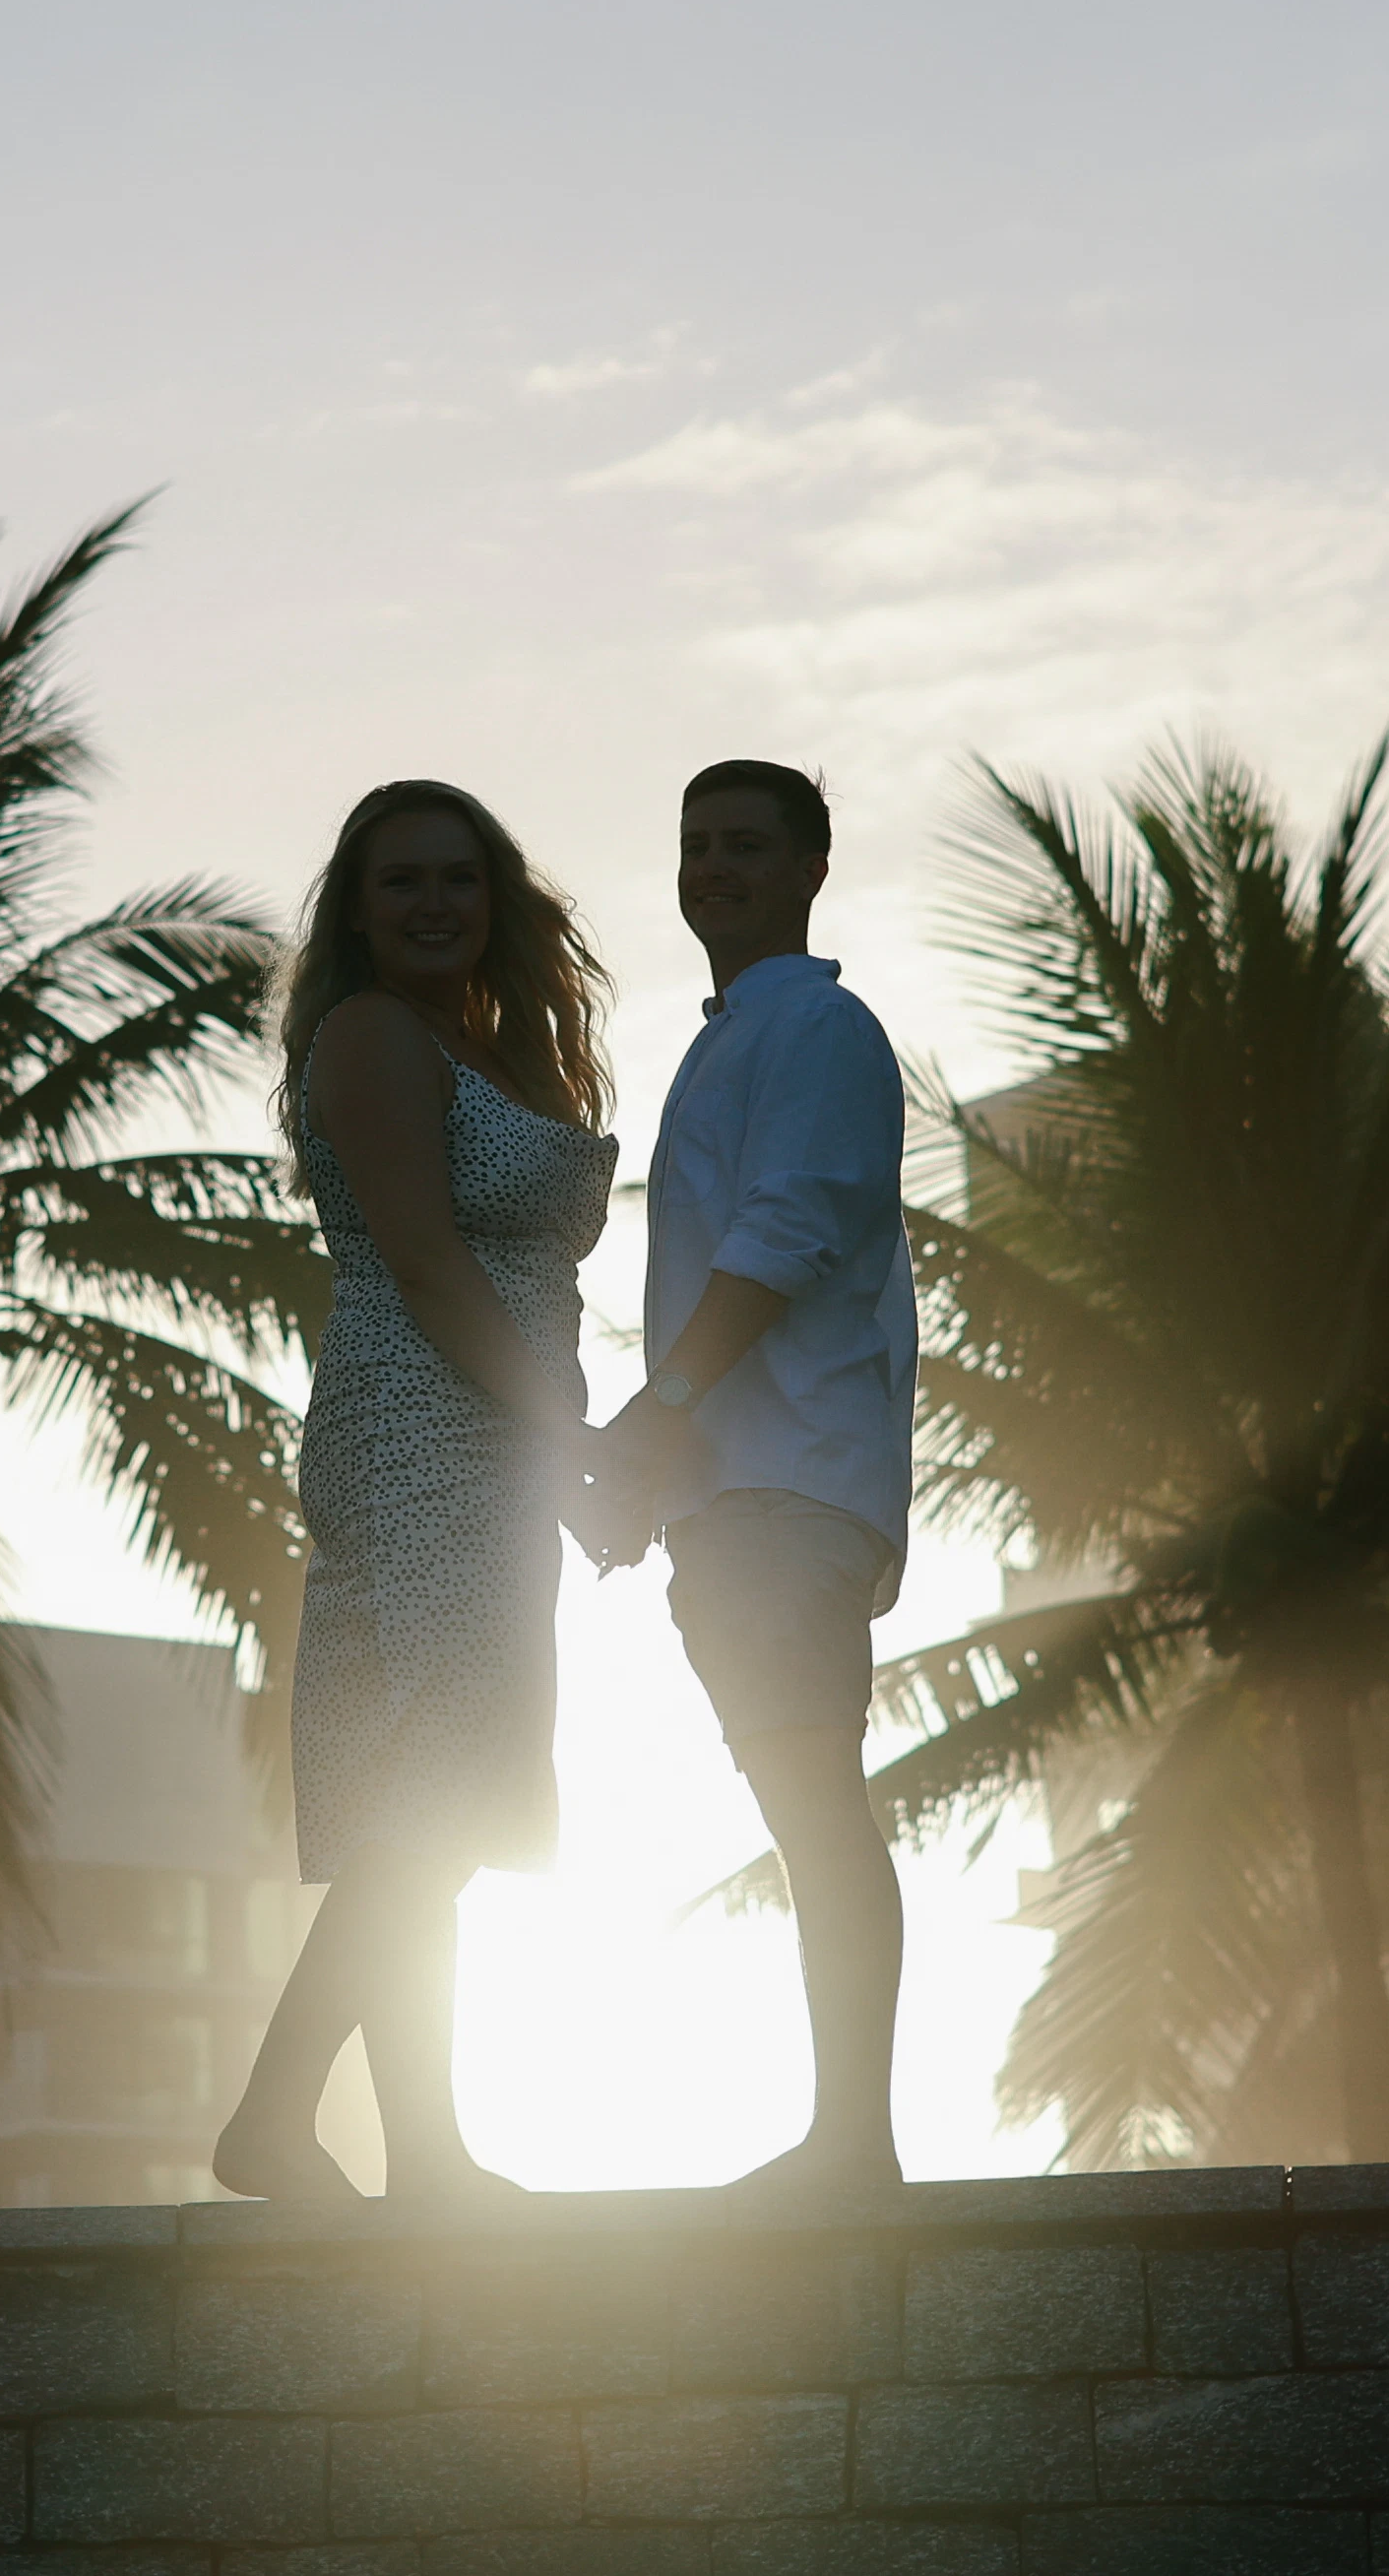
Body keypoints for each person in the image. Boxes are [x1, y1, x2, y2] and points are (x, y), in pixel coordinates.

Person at [211, 778, 616, 2205]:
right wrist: (560, 1430)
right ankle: (278, 2118)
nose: (434, 902)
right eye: (401, 884)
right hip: (422, 1420)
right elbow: (430, 1262)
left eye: (457, 877)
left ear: (494, 894)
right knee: (427, 1794)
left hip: (493, 1427)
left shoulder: (491, 1046)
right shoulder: (373, 1038)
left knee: (436, 1806)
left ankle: (424, 2153)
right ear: (358, 913)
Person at [578, 758, 921, 2195]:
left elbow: (787, 1233)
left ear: (807, 870)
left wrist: (652, 1420)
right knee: (800, 1800)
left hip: (786, 1487)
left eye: (743, 845)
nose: (711, 866)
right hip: (743, 1496)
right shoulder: (732, 1040)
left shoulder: (819, 1027)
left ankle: (852, 2140)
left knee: (811, 1804)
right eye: (694, 844)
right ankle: (847, 2137)